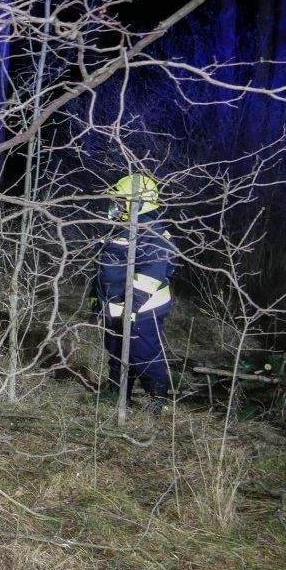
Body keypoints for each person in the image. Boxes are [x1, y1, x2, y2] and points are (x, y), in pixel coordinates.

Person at [94, 173, 177, 416]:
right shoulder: (121, 229)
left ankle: (158, 401)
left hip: (143, 310)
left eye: (121, 201)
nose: (116, 206)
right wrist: (96, 301)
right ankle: (118, 396)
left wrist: (133, 307)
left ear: (139, 203)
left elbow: (152, 273)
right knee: (117, 352)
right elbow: (103, 270)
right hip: (115, 307)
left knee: (144, 355)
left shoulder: (150, 232)